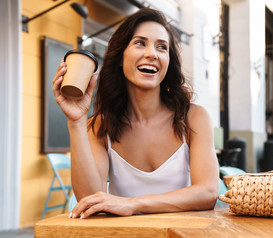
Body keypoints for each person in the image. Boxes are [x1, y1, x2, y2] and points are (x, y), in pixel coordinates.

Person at [52, 8, 219, 219]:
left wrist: (133, 204)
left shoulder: (194, 118)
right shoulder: (100, 127)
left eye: (162, 47)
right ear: (121, 57)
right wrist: (76, 122)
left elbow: (208, 193)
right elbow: (90, 200)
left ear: (168, 62)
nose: (152, 53)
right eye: (140, 43)